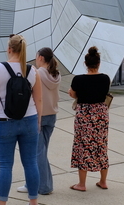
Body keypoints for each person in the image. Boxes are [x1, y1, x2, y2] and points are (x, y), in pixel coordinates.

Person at [0, 34, 42, 205]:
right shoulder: (33, 71)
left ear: (9, 49)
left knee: (5, 165)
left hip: (4, 121)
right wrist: (38, 120)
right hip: (30, 120)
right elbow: (38, 99)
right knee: (31, 162)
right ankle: (33, 204)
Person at [17, 47, 60, 195]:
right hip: (52, 115)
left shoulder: (38, 73)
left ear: (41, 58)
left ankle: (42, 186)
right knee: (41, 151)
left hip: (40, 114)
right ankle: (33, 183)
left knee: (37, 153)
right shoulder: (56, 74)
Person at [68, 46, 111, 191]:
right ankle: (103, 181)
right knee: (101, 145)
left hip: (84, 115)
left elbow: (73, 94)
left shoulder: (78, 79)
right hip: (100, 114)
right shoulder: (105, 79)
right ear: (98, 63)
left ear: (85, 64)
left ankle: (81, 184)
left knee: (83, 146)